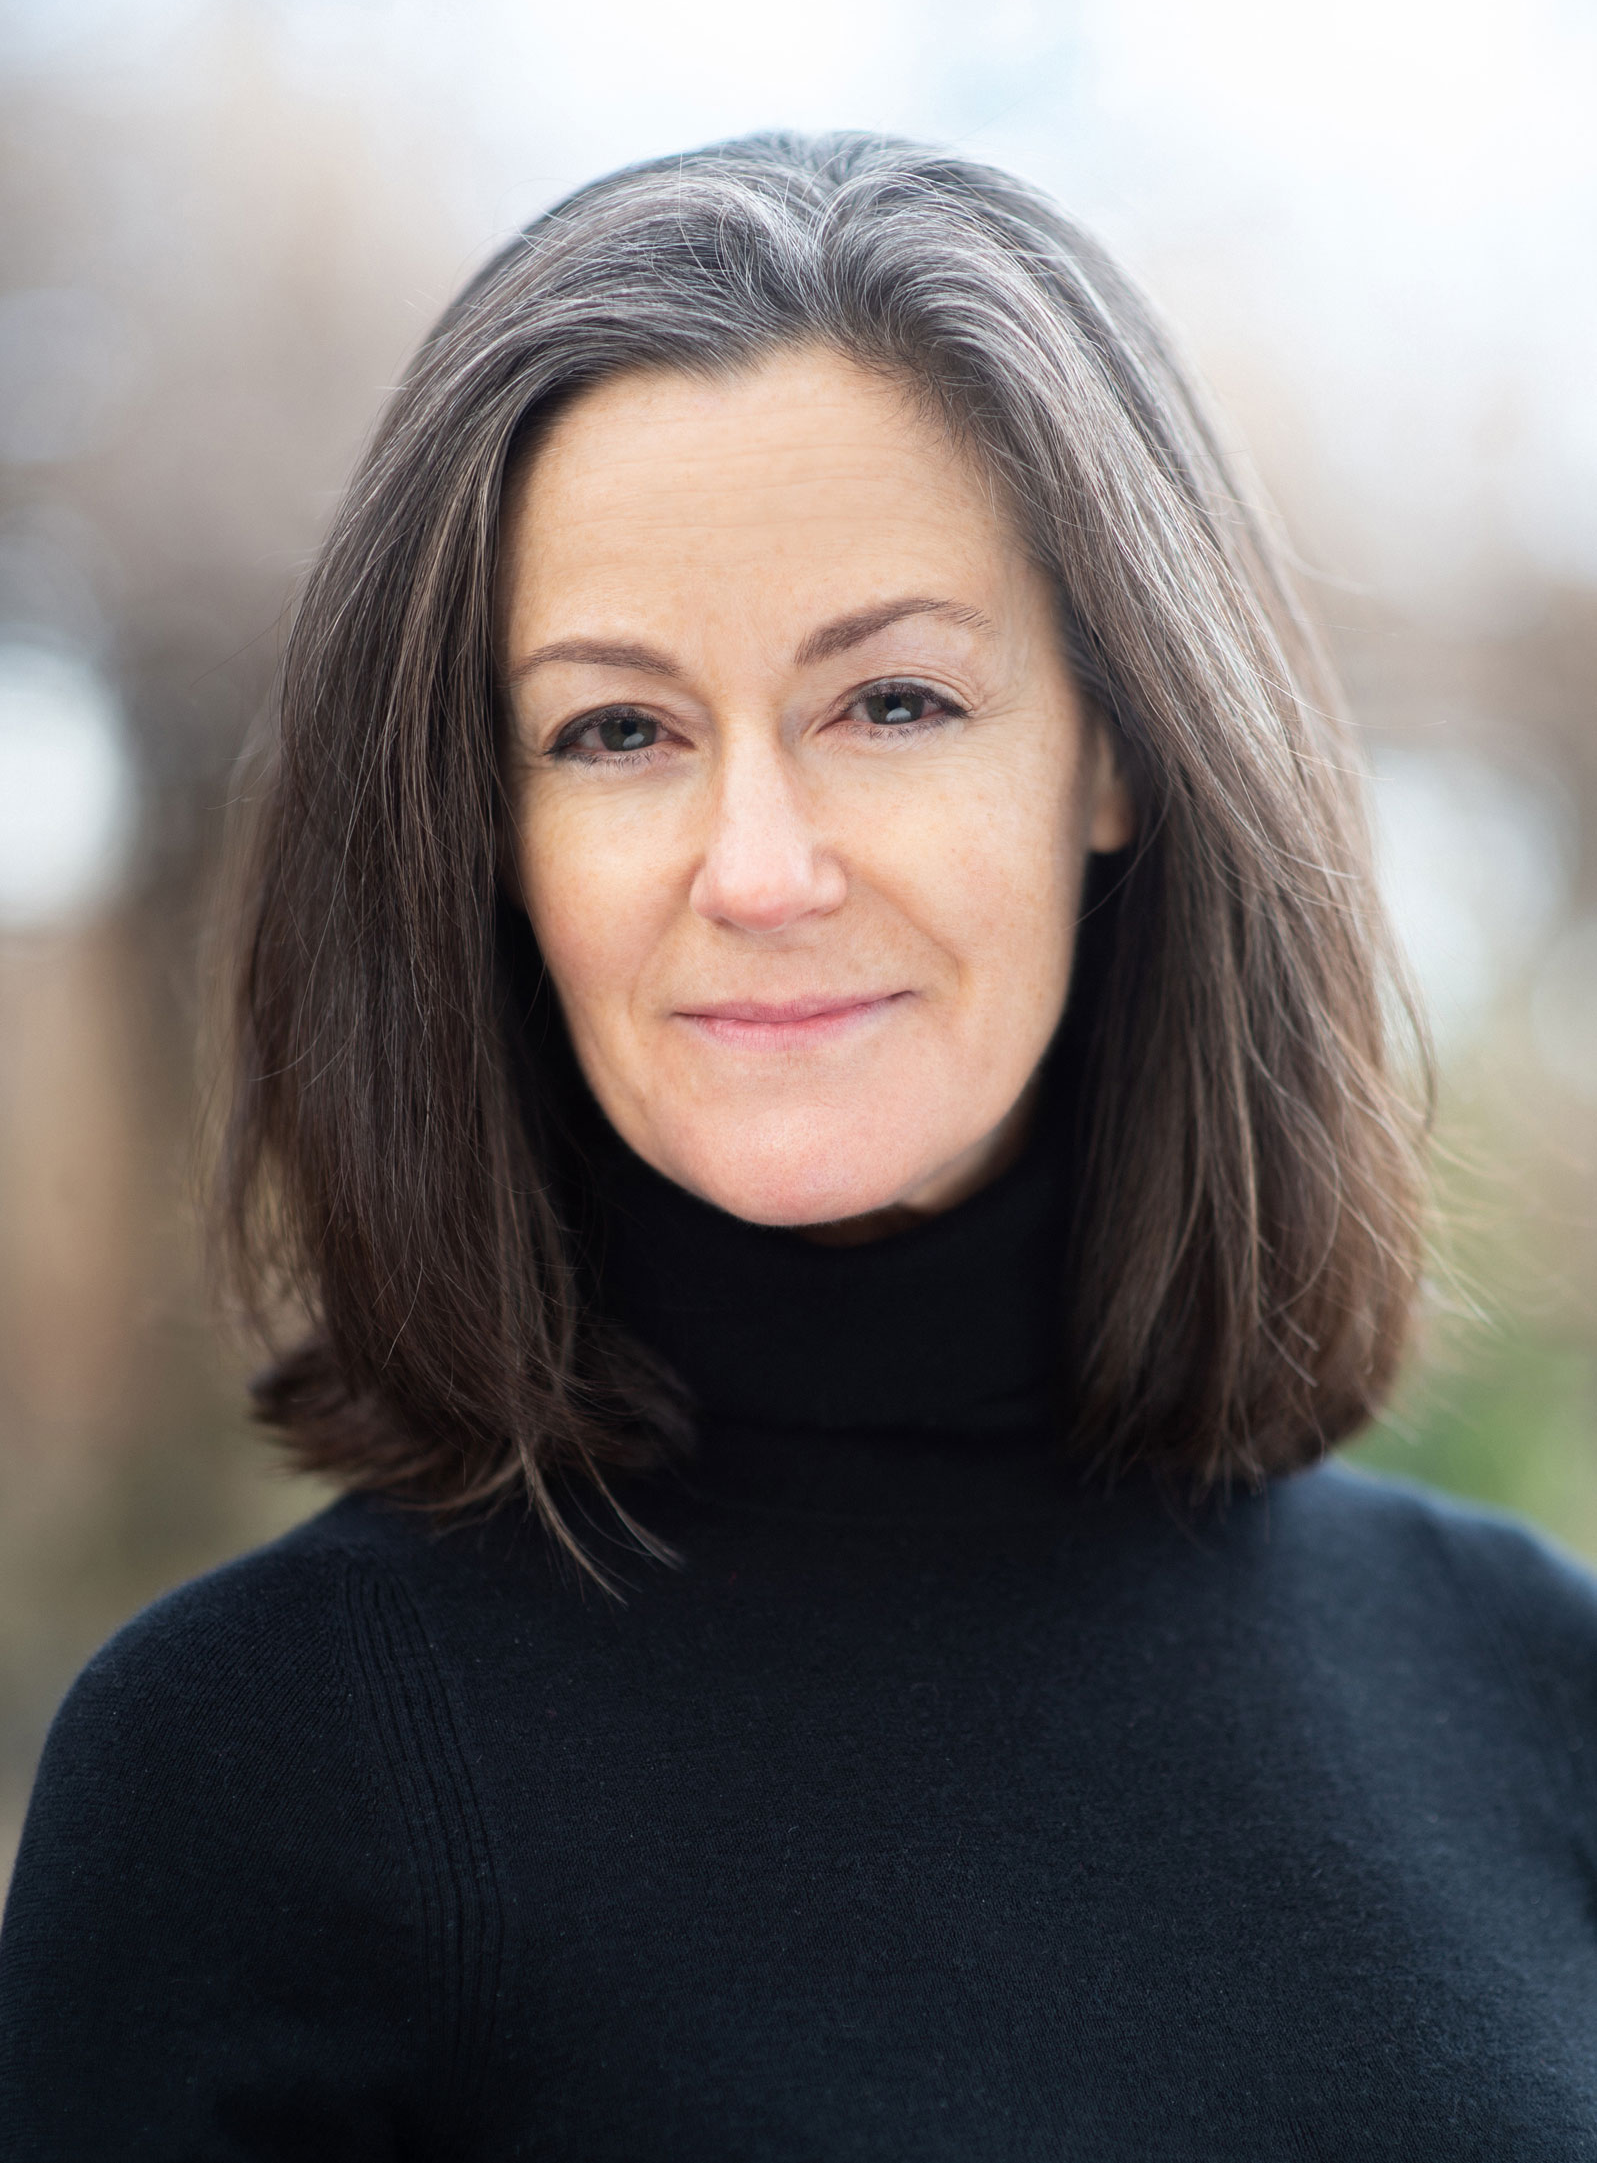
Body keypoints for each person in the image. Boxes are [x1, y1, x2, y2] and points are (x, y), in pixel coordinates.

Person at [1, 130, 1593, 2159]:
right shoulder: (251, 1769)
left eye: (895, 703)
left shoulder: (1533, 1684)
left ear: (1115, 751)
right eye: (616, 732)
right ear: (483, 843)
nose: (757, 867)